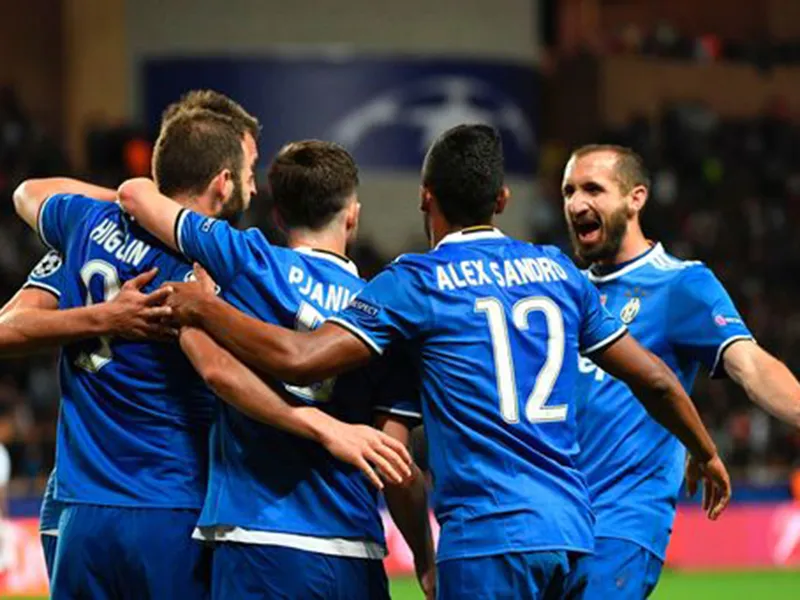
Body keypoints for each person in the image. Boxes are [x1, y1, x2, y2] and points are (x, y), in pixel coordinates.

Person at [125, 124, 731, 599]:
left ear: (426, 199)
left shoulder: (416, 282)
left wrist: (206, 310)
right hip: (570, 534)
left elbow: (299, 358)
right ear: (501, 199)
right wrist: (703, 451)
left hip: (485, 536)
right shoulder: (559, 271)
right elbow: (655, 378)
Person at [14, 105, 411, 598]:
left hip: (80, 506)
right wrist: (322, 426)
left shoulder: (86, 222)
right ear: (223, 182)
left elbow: (28, 193)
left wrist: (129, 206)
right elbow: (218, 370)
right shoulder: (205, 269)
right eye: (248, 171)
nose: (253, 187)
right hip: (171, 504)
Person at [118, 139, 435, 600]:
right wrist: (425, 560)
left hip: (254, 540)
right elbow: (395, 466)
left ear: (279, 217)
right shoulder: (381, 312)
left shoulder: (245, 260)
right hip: (351, 549)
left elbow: (135, 194)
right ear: (352, 216)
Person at [560, 144, 800, 598]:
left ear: (636, 198)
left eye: (593, 189)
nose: (576, 203)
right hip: (551, 521)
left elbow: (750, 365)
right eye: (568, 191)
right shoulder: (564, 293)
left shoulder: (679, 283)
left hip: (619, 523)